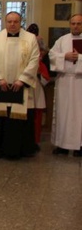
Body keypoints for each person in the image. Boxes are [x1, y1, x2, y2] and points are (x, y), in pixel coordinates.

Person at [0, 12, 39, 159]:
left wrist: (22, 80)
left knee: (17, 120)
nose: (12, 24)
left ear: (21, 22)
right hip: (1, 84)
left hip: (21, 86)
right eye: (10, 21)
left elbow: (34, 59)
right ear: (5, 22)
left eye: (16, 21)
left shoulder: (30, 38)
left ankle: (19, 149)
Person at [49, 13, 82, 156]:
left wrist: (79, 58)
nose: (75, 26)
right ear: (69, 24)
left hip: (80, 82)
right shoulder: (62, 40)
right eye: (73, 23)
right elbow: (51, 55)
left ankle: (79, 146)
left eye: (79, 23)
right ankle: (62, 145)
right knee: (62, 113)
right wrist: (65, 56)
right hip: (64, 81)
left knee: (79, 114)